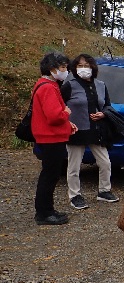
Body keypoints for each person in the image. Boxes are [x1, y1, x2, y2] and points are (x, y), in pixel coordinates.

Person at [60, 53, 118, 210]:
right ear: (74, 68)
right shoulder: (69, 86)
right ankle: (74, 195)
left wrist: (103, 113)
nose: (84, 69)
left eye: (87, 65)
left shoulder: (101, 85)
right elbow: (59, 107)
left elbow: (107, 105)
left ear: (93, 67)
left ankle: (104, 191)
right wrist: (67, 122)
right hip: (76, 131)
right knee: (74, 166)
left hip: (96, 131)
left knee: (105, 162)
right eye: (80, 66)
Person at [31, 52, 77, 226]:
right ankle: (44, 212)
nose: (65, 71)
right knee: (49, 176)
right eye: (63, 67)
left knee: (49, 175)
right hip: (50, 138)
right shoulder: (49, 87)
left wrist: (68, 124)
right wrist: (65, 113)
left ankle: (46, 209)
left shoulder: (44, 84)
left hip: (49, 136)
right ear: (52, 69)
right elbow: (53, 116)